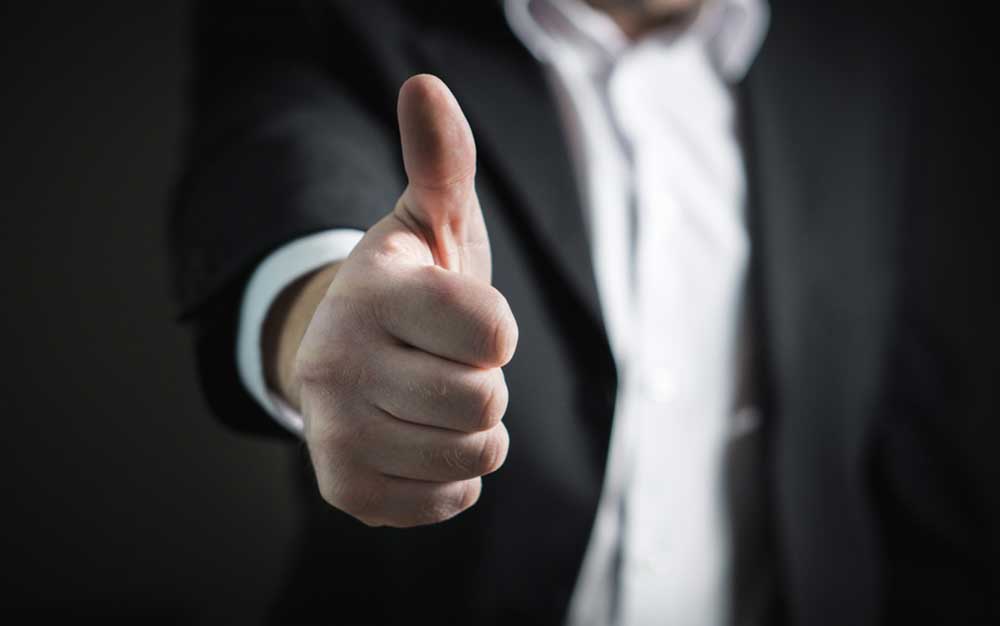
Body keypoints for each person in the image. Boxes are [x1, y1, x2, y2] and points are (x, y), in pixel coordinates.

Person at [169, 0, 997, 624]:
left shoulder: (873, 50)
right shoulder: (343, 19)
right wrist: (329, 333)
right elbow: (287, 188)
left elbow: (915, 457)